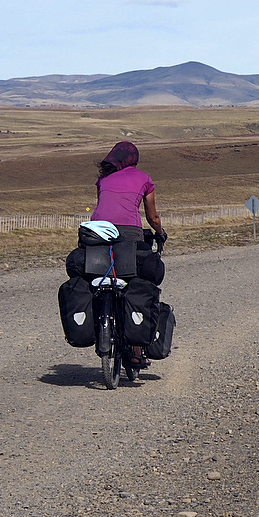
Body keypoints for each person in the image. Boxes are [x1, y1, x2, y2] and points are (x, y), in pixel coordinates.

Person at [90, 140, 166, 367]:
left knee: (100, 274)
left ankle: (100, 323)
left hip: (96, 232)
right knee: (135, 280)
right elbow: (152, 217)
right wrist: (160, 232)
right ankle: (136, 350)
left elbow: (103, 208)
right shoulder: (144, 179)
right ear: (134, 160)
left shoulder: (103, 179)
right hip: (129, 234)